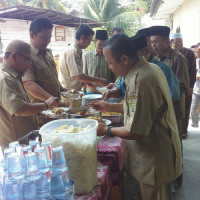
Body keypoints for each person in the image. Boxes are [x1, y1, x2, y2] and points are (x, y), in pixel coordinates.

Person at [92, 34, 182, 200]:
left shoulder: (140, 80)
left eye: (110, 63)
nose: (110, 67)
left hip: (155, 158)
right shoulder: (147, 68)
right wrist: (108, 106)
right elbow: (140, 109)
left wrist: (106, 129)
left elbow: (137, 131)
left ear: (124, 59)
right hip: (157, 151)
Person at [0, 40, 58, 148]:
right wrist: (46, 104)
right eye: (27, 59)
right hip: (15, 145)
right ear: (14, 57)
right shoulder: (5, 79)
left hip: (25, 141)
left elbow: (21, 103)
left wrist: (38, 111)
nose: (28, 64)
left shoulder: (14, 77)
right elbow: (18, 109)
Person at [22, 18, 65, 127]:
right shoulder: (27, 55)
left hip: (54, 112)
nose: (47, 41)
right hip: (41, 114)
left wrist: (62, 88)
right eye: (43, 37)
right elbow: (28, 84)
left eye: (49, 37)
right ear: (32, 35)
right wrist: (51, 100)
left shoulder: (47, 52)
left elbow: (51, 76)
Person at [150, 26, 190, 141]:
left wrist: (165, 94)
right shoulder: (155, 58)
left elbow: (182, 85)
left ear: (167, 42)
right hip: (159, 104)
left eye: (156, 41)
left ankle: (177, 159)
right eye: (152, 42)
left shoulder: (178, 58)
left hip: (174, 104)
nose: (153, 45)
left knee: (174, 136)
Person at [59, 24, 108, 91]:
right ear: (82, 37)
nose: (89, 43)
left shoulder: (78, 51)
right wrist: (98, 80)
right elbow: (78, 76)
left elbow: (80, 75)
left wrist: (92, 85)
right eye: (89, 40)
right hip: (70, 92)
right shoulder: (73, 51)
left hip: (75, 91)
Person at [170, 33, 196, 138]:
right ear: (171, 43)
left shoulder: (188, 53)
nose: (179, 44)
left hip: (185, 86)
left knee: (185, 108)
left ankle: (184, 130)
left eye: (180, 42)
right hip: (173, 86)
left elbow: (192, 70)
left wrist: (190, 86)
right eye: (176, 42)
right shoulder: (169, 54)